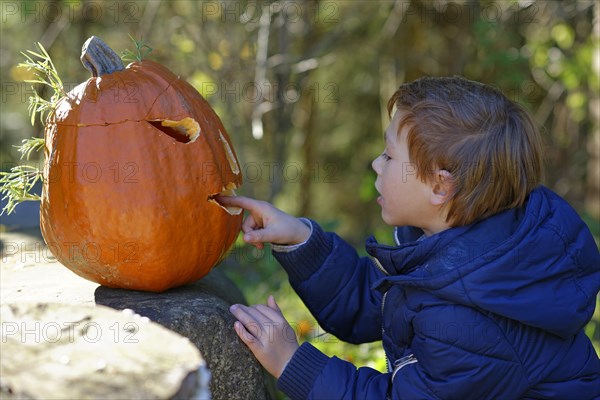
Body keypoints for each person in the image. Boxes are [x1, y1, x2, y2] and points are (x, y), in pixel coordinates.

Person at [218, 76, 600, 399]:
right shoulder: (453, 245)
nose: (375, 164)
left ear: (439, 186)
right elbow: (375, 302)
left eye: (388, 156)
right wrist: (299, 238)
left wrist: (291, 362)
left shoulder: (469, 324)